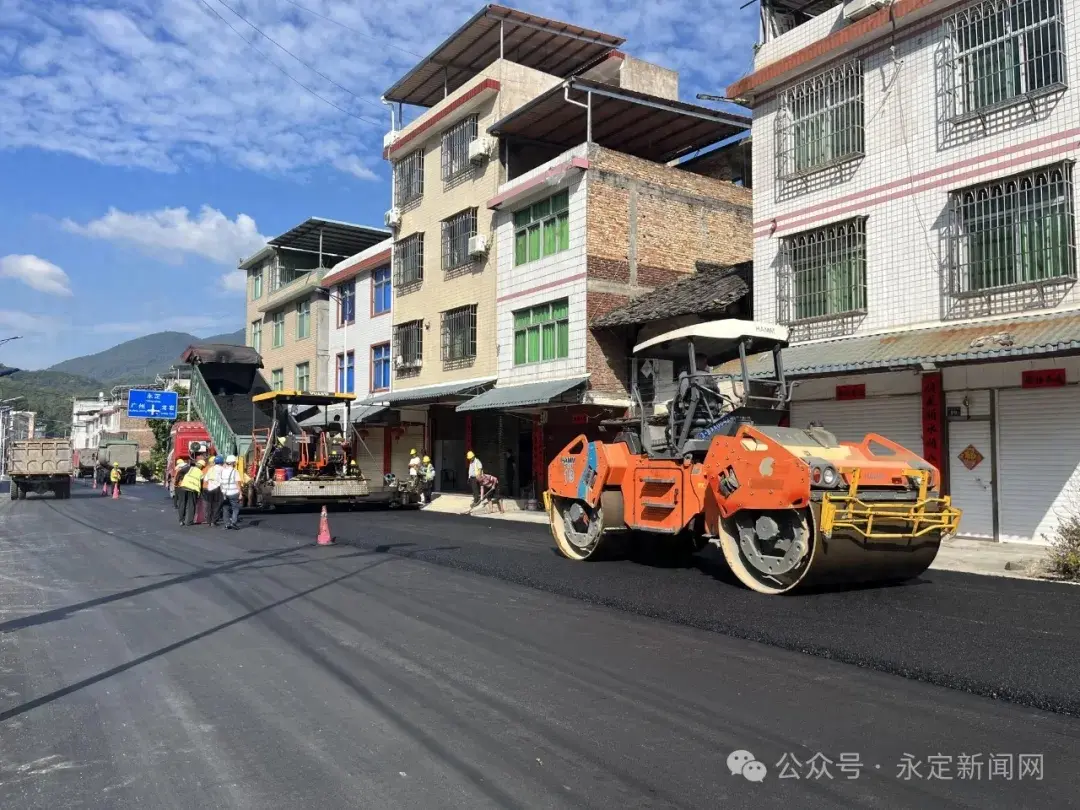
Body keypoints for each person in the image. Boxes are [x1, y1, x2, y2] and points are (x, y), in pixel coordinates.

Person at [217, 455, 247, 530]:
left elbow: (220, 482)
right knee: (235, 508)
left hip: (225, 493)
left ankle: (227, 524)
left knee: (225, 508)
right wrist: (240, 493)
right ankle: (233, 522)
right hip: (234, 492)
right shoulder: (234, 471)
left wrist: (222, 491)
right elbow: (237, 483)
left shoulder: (222, 471)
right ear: (233, 463)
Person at [177, 459, 205, 526]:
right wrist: (200, 493)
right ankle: (189, 522)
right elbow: (201, 484)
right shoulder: (201, 473)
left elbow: (180, 472)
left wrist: (180, 480)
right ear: (202, 467)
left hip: (183, 487)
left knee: (182, 504)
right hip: (193, 490)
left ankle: (181, 520)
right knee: (191, 505)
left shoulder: (189, 468)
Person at [203, 456, 224, 527]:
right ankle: (214, 521)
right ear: (222, 462)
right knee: (217, 505)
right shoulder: (222, 469)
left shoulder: (210, 469)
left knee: (210, 505)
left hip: (209, 489)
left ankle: (209, 520)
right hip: (218, 488)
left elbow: (205, 479)